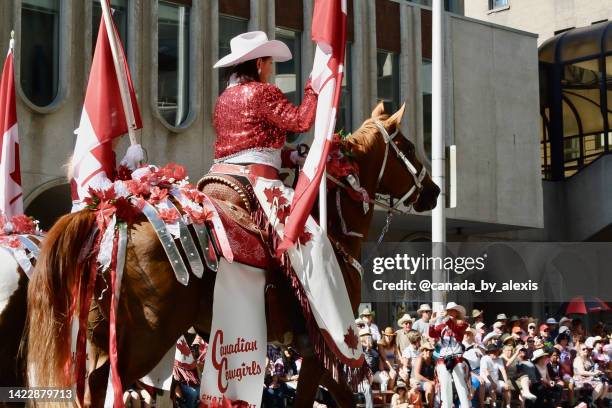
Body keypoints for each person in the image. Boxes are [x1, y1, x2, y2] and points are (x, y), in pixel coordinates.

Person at [428, 302, 470, 408]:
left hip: (457, 358)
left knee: (461, 385)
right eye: (449, 310)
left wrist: (446, 319)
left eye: (452, 310)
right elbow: (432, 334)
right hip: (443, 358)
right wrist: (432, 323)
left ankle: (465, 406)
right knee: (445, 386)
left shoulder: (463, 324)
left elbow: (455, 329)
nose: (450, 312)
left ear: (456, 313)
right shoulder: (442, 326)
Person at [480, 343, 512, 408]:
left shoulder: (499, 359)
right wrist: (492, 382)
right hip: (486, 382)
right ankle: (488, 405)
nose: (495, 353)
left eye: (496, 351)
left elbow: (503, 371)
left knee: (507, 388)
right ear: (489, 353)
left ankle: (508, 406)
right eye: (493, 352)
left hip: (496, 381)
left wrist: (506, 383)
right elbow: (486, 371)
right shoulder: (484, 358)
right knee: (491, 388)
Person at [413, 343, 436, 408]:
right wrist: (430, 381)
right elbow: (417, 375)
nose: (428, 351)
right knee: (430, 386)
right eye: (426, 350)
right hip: (416, 381)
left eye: (430, 350)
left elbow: (435, 374)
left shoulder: (433, 361)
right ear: (423, 351)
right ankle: (430, 406)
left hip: (426, 382)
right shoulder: (420, 359)